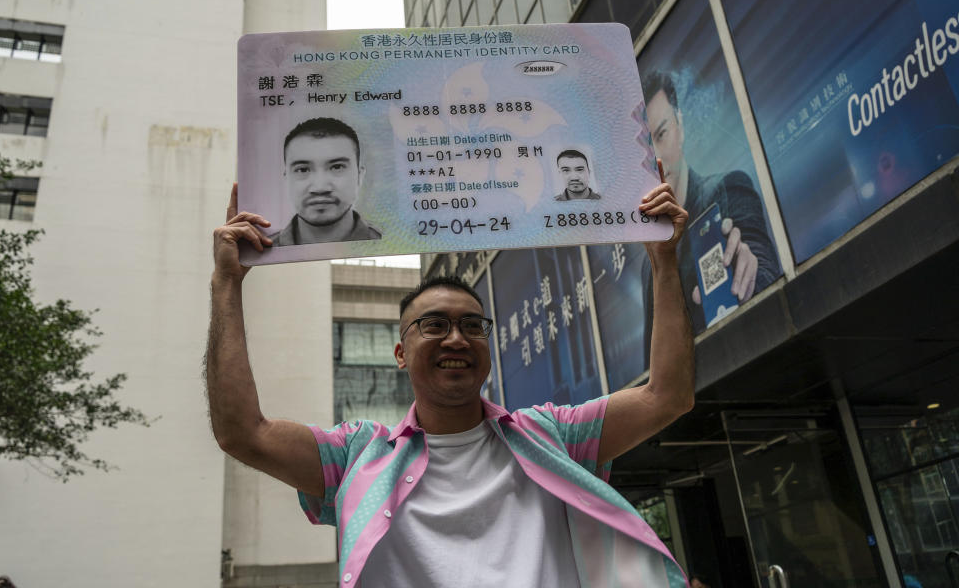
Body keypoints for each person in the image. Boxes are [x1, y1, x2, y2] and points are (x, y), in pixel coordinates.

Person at [205, 174, 694, 586]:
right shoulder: (354, 458)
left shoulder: (553, 436)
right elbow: (242, 433)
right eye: (434, 325)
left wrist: (663, 262)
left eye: (472, 326)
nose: (456, 339)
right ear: (400, 353)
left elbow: (665, 397)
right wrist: (226, 283)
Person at [641, 70, 779, 338]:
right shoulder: (650, 265)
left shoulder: (727, 189)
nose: (656, 159)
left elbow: (763, 266)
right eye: (646, 150)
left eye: (661, 134)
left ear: (680, 127)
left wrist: (748, 276)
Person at [270, 117, 381, 245]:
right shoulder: (260, 252)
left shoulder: (389, 246)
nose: (320, 187)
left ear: (359, 176)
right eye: (303, 170)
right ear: (286, 179)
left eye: (337, 167)